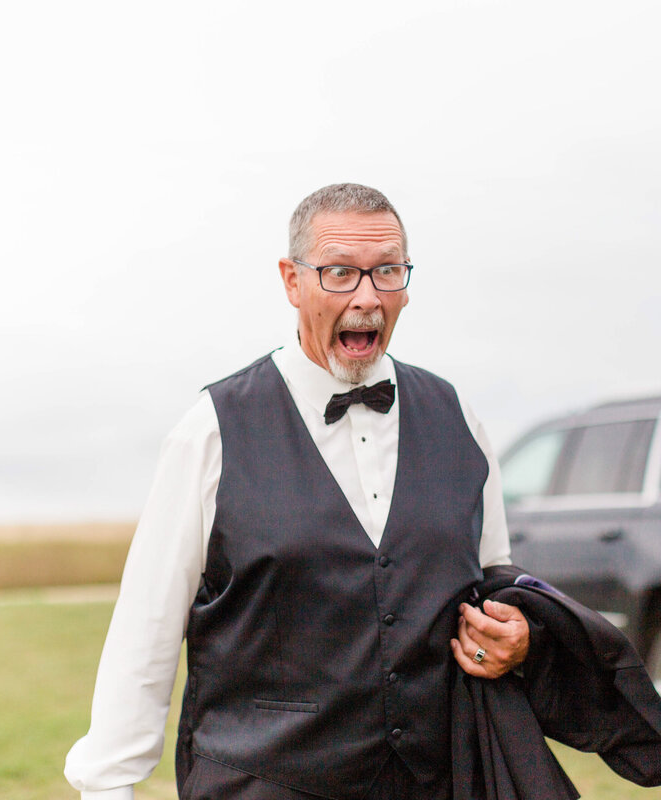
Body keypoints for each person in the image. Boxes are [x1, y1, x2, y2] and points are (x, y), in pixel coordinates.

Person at [65, 183, 530, 800]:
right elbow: (148, 622)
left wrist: (515, 633)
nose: (367, 298)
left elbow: (491, 578)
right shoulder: (213, 428)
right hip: (261, 783)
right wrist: (109, 785)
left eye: (387, 271)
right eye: (340, 272)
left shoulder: (456, 415)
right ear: (292, 281)